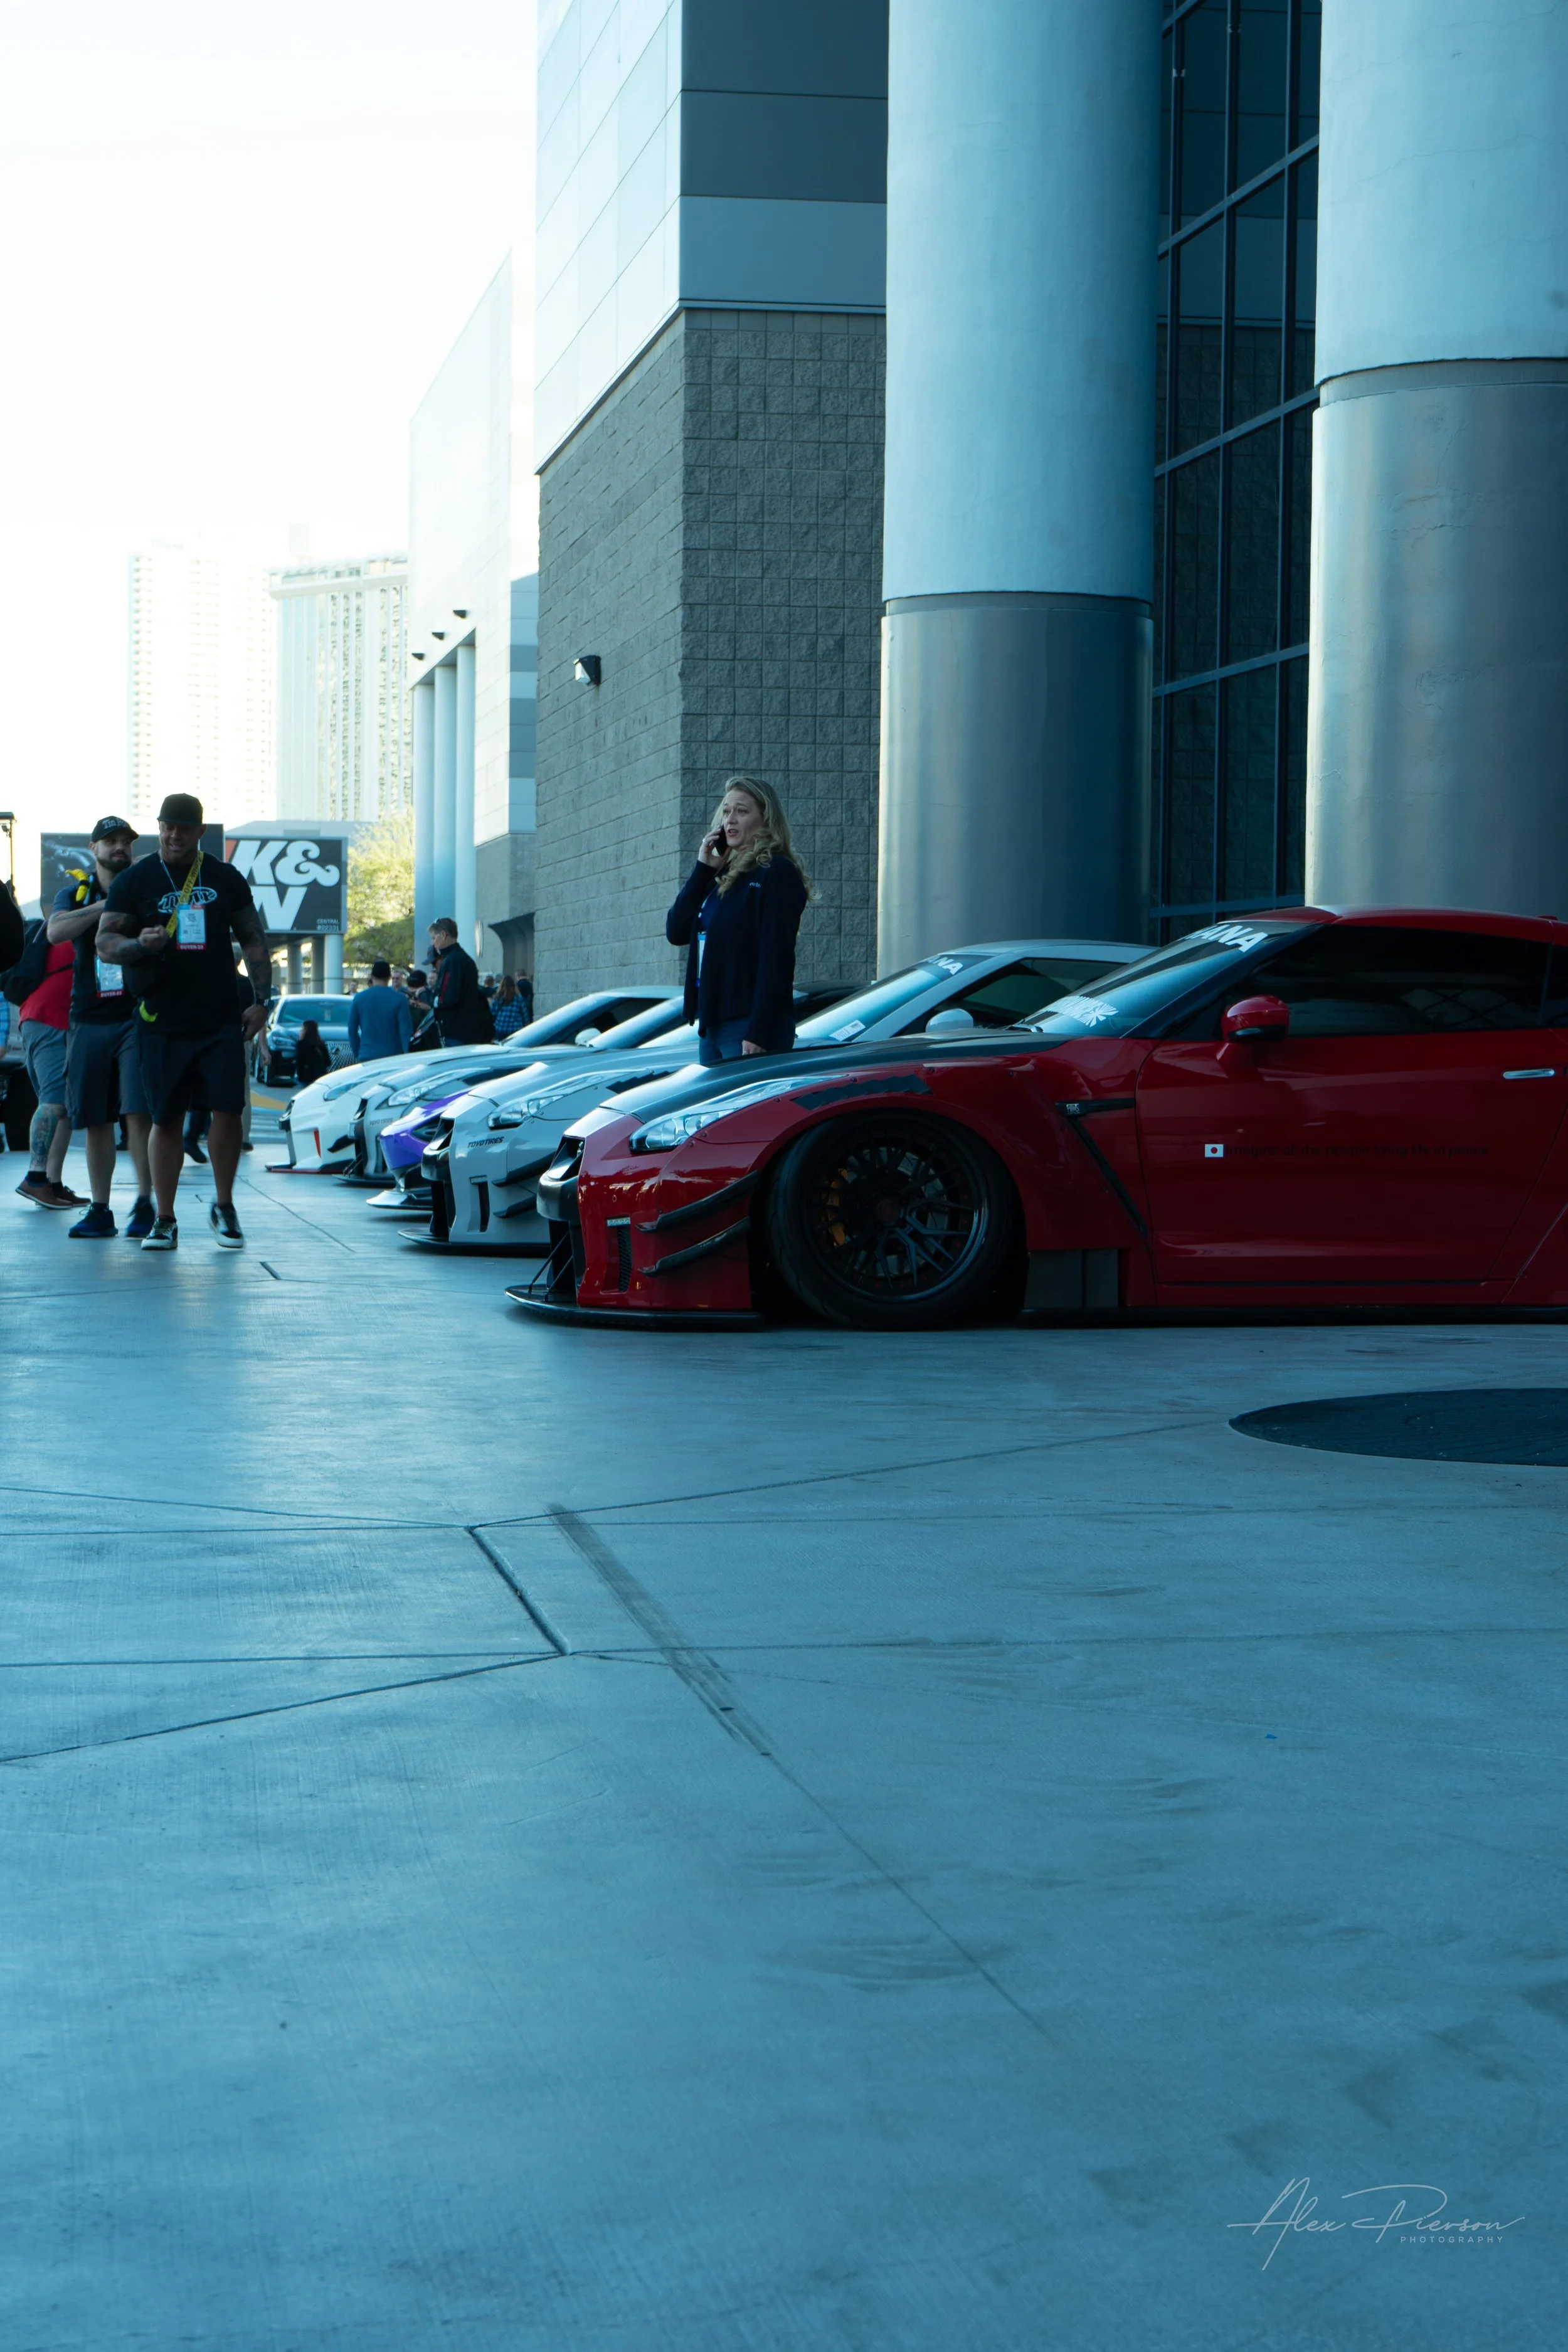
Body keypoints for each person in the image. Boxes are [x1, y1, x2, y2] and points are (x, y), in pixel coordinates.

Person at [95, 792, 272, 1251]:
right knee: (166, 1117)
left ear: (199, 832)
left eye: (184, 828)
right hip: (161, 1019)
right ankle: (165, 1218)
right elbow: (105, 943)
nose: (174, 835)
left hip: (219, 1019)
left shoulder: (224, 877)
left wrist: (262, 1001)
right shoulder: (135, 880)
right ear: (159, 827)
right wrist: (140, 946)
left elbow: (253, 939)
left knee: (228, 1111)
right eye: (167, 826)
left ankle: (225, 1205)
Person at [45, 815, 155, 1237]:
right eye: (110, 841)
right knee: (94, 1118)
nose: (120, 848)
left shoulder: (145, 888)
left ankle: (146, 1203)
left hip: (136, 1016)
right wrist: (104, 908)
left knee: (138, 1112)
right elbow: (55, 932)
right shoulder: (74, 892)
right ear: (94, 849)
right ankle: (101, 1209)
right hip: (88, 1017)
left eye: (126, 841)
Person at [666, 775, 810, 1064]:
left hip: (749, 1026)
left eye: (742, 811)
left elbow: (777, 959)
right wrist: (703, 870)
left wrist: (760, 1030)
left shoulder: (776, 872)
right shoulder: (721, 875)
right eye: (727, 811)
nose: (730, 820)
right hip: (713, 1022)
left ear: (766, 820)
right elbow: (677, 931)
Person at [14, 909, 85, 1211]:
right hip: (51, 1020)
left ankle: (52, 1183)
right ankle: (35, 1177)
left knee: (64, 1107)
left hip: (41, 1018)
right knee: (55, 1102)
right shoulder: (78, 931)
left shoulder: (67, 927)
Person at [427, 919, 492, 1044]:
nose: (433, 943)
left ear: (443, 934)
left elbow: (446, 997)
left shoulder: (452, 961)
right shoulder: (463, 959)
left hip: (456, 1030)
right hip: (469, 1028)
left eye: (434, 938)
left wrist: (433, 1001)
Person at [347, 958, 412, 1061]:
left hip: (367, 1055)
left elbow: (352, 1030)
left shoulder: (359, 998)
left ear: (372, 977)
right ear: (389, 977)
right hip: (394, 1057)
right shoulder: (400, 999)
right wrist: (405, 1053)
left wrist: (358, 1052)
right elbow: (405, 1031)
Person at [490, 972, 532, 1037]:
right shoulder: (518, 998)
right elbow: (525, 1016)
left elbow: (493, 1014)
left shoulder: (497, 998)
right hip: (515, 1031)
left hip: (500, 1030)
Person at [294, 1017, 331, 1086]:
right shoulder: (321, 1044)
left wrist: (299, 1076)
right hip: (320, 1077)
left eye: (302, 1029)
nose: (300, 1030)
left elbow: (300, 1062)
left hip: (307, 1077)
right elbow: (328, 1062)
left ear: (306, 1030)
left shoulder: (302, 1044)